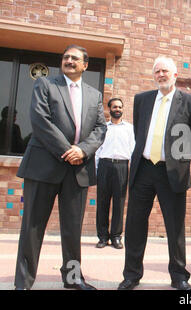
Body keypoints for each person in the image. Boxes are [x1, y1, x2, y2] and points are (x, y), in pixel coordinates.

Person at [14, 45, 107, 290]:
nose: (69, 61)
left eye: (75, 58)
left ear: (85, 65)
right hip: (43, 166)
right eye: (66, 57)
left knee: (72, 229)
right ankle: (23, 283)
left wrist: (83, 150)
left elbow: (100, 129)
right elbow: (39, 119)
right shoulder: (45, 85)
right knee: (32, 227)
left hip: (78, 170)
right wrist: (68, 151)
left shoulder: (94, 95)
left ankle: (73, 277)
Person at [118, 56, 191, 291]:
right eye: (157, 71)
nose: (160, 75)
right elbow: (140, 132)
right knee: (135, 225)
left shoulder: (190, 102)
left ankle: (179, 276)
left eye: (165, 71)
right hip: (143, 169)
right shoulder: (142, 100)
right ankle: (132, 275)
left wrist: (179, 160)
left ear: (175, 75)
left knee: (175, 226)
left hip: (171, 172)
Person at [95, 98, 135, 249]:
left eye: (120, 106)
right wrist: (96, 170)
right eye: (114, 107)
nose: (117, 109)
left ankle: (116, 236)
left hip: (122, 167)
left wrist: (132, 172)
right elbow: (97, 151)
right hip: (105, 166)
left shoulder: (130, 129)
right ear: (109, 109)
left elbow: (132, 150)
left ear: (122, 109)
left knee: (119, 203)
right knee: (102, 203)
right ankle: (103, 237)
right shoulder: (103, 128)